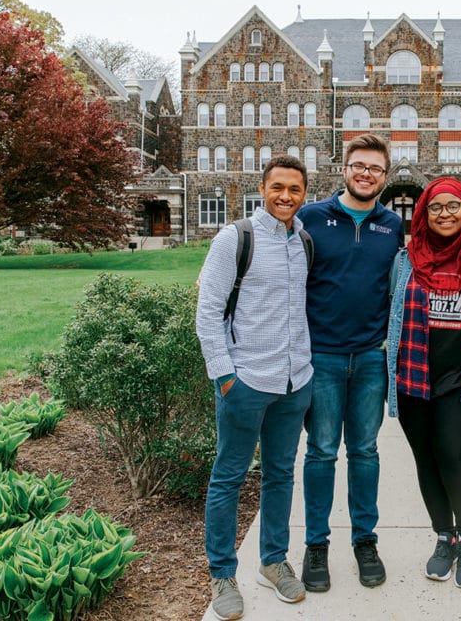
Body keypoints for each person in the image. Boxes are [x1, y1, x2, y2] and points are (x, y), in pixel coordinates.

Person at [195, 154, 314, 621]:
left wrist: (300, 373)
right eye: (278, 187)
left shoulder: (303, 241)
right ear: (262, 188)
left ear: (305, 194)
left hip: (294, 382)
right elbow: (208, 312)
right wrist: (225, 376)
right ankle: (222, 573)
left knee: (281, 475)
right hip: (246, 381)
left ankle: (272, 560)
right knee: (228, 476)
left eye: (295, 189)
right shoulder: (235, 239)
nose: (286, 196)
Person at [297, 133, 404, 591]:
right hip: (320, 356)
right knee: (321, 451)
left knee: (365, 451)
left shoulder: (392, 225)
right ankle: (316, 545)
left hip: (370, 359)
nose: (366, 174)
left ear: (385, 176)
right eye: (358, 166)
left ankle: (365, 540)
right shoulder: (311, 218)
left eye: (375, 169)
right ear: (344, 168)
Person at [385, 177, 461, 590]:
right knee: (426, 459)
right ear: (423, 214)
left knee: (455, 455)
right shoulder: (406, 260)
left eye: (453, 206)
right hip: (414, 374)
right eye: (435, 207)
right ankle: (443, 537)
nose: (444, 214)